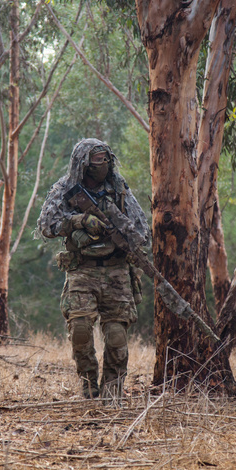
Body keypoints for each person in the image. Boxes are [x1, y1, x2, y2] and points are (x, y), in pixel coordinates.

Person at [37, 138, 149, 401]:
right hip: (82, 270)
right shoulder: (66, 188)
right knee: (80, 329)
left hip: (117, 270)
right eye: (97, 161)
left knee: (116, 335)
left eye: (106, 159)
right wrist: (78, 221)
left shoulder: (118, 188)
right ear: (83, 164)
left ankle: (112, 393)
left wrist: (125, 239)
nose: (104, 165)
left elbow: (140, 227)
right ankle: (89, 386)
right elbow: (46, 224)